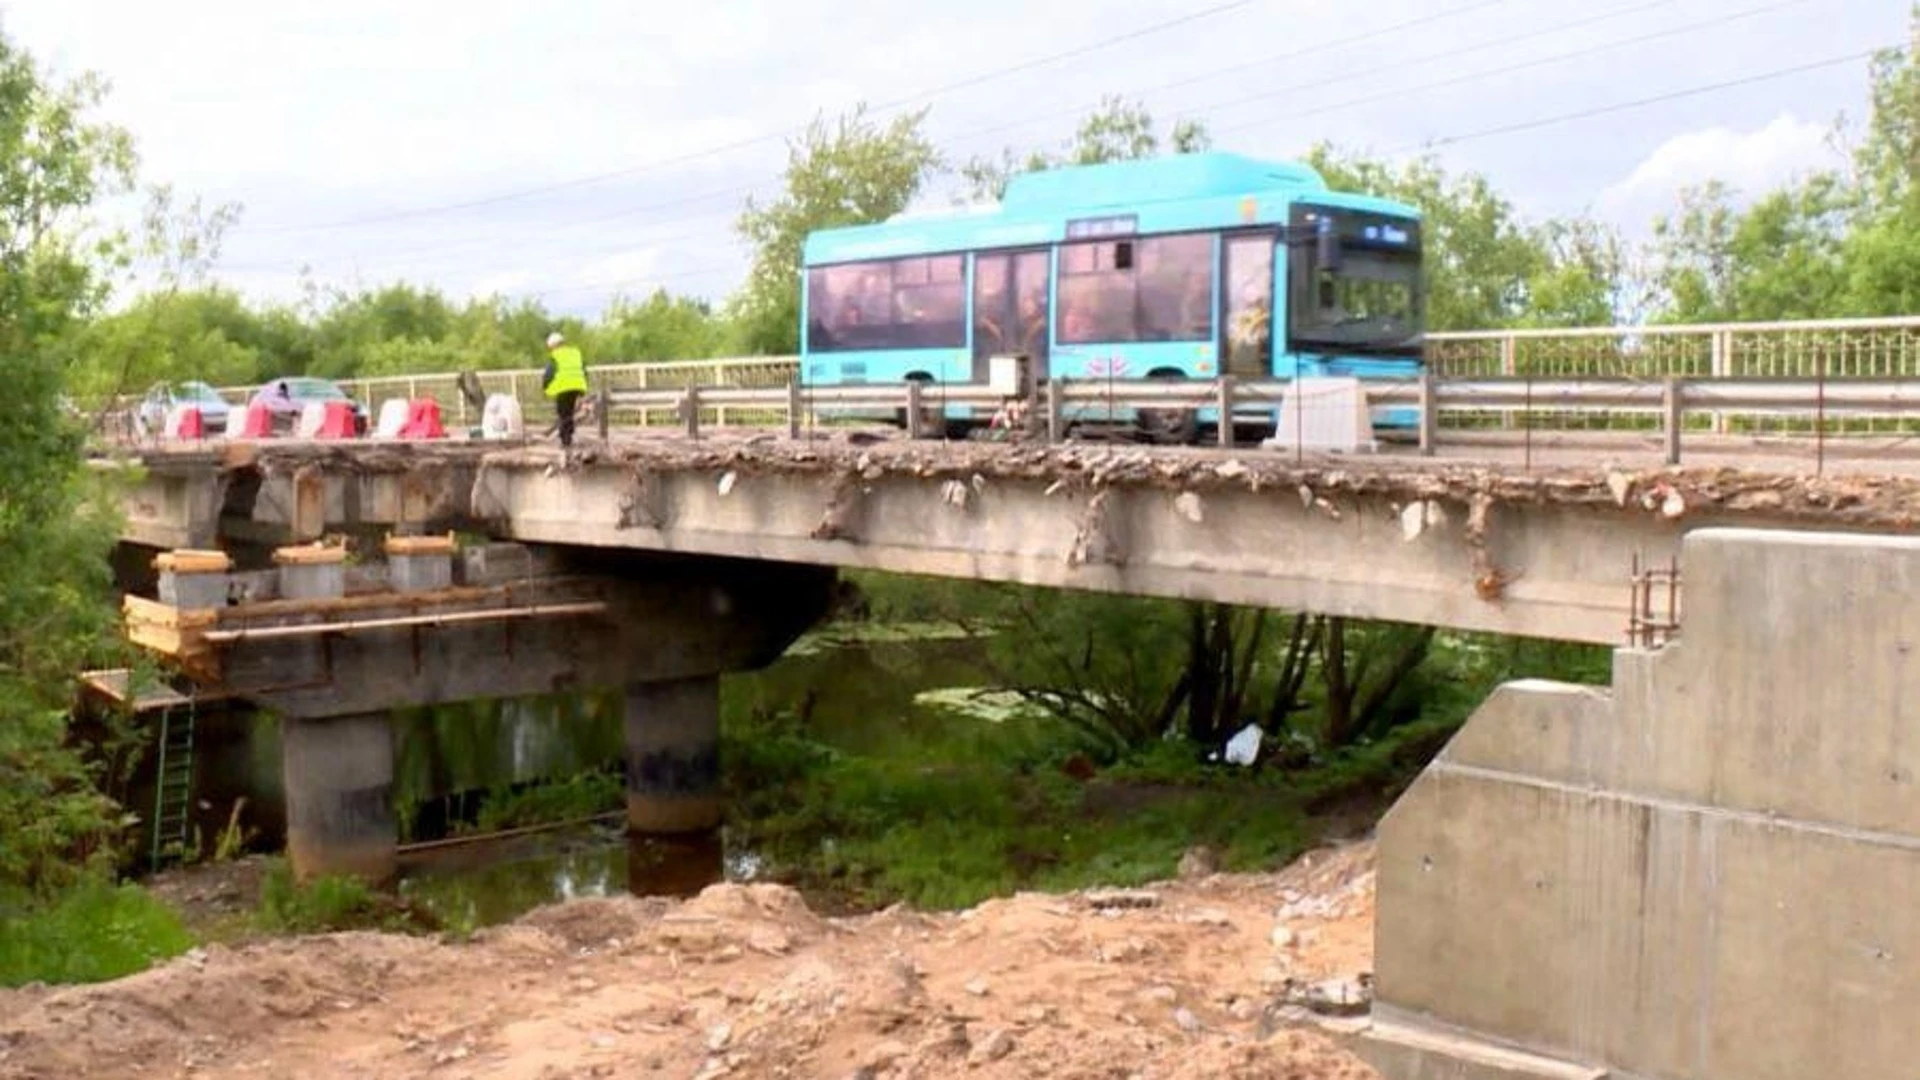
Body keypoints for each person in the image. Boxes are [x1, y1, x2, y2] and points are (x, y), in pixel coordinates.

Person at [541, 330, 589, 450]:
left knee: (563, 413)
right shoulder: (575, 353)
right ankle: (569, 436)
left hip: (563, 387)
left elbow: (549, 373)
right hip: (576, 386)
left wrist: (546, 388)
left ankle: (565, 440)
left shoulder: (555, 356)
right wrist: (582, 388)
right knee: (569, 412)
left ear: (553, 346)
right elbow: (583, 370)